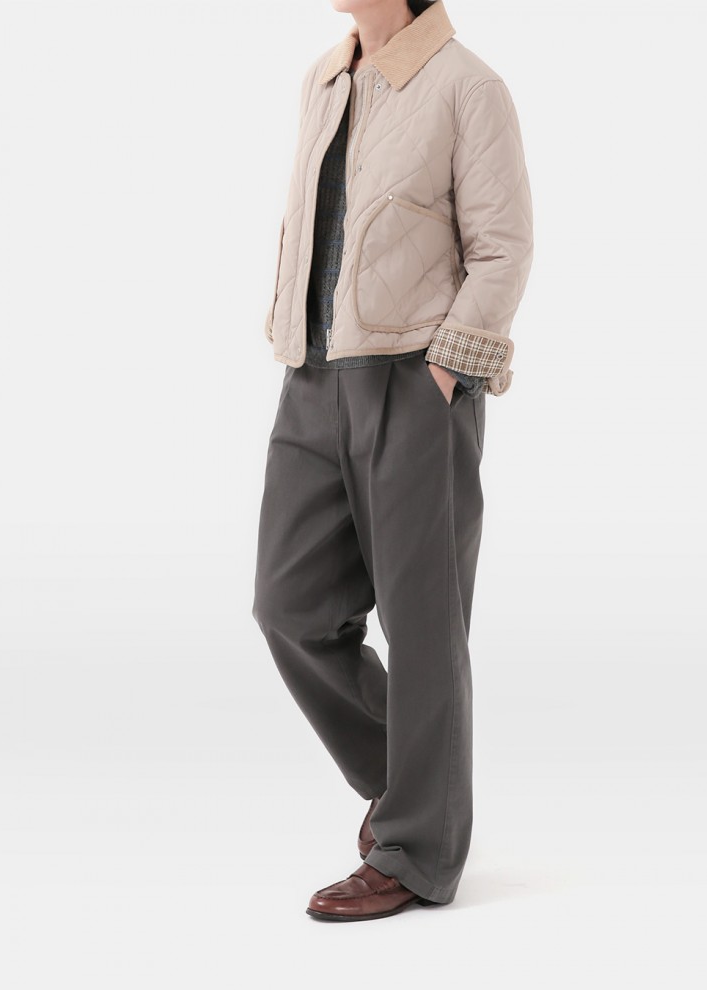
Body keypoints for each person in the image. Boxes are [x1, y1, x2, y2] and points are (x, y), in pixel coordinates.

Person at [252, 0, 533, 921]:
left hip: (414, 379)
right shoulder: (326, 77)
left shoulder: (467, 87)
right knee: (289, 606)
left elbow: (503, 249)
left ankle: (417, 852)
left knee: (422, 626)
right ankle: (420, 786)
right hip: (313, 375)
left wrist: (443, 373)